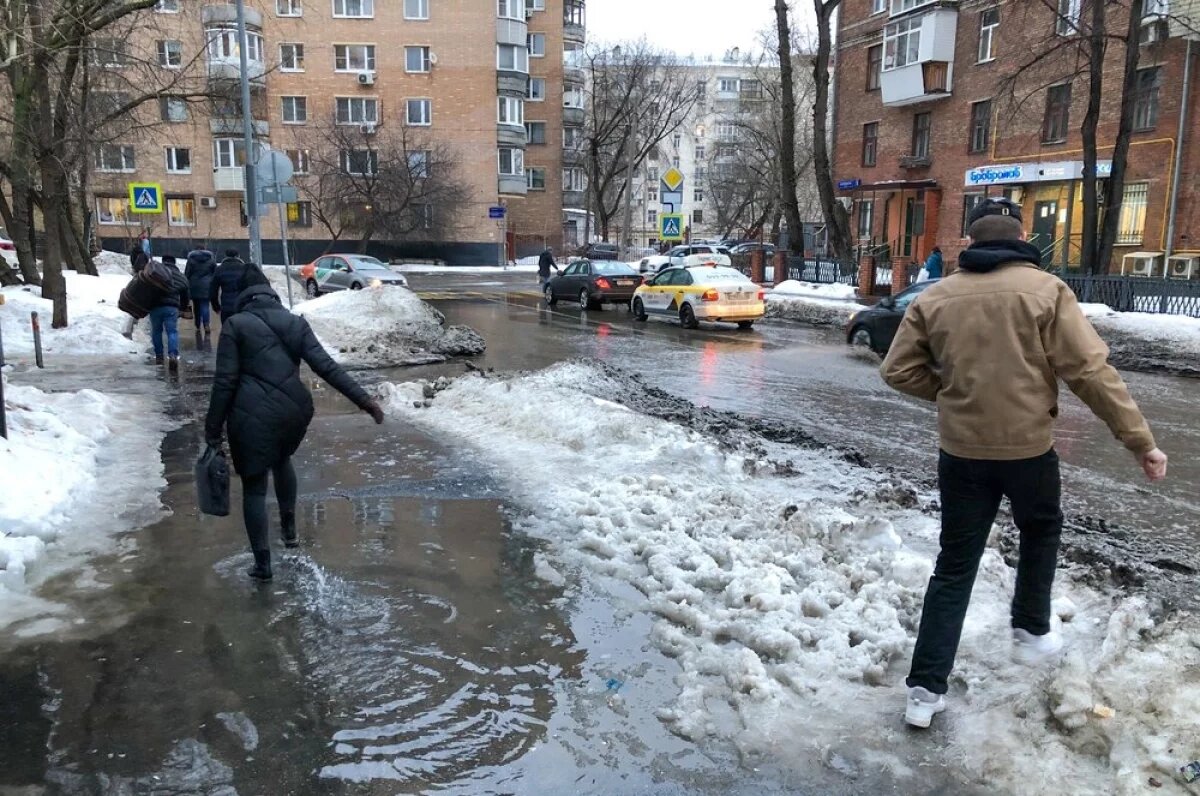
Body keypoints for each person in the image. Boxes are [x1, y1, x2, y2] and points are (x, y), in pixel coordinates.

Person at [880, 197, 1167, 729]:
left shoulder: (937, 296)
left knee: (954, 565)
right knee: (1041, 527)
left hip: (961, 452)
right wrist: (1139, 441)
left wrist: (950, 394)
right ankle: (1031, 628)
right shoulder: (1045, 291)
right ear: (1019, 238)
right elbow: (1091, 373)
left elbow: (897, 371)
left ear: (970, 241)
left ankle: (924, 690)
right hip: (1028, 450)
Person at [204, 282, 385, 581]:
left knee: (254, 486)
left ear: (244, 298)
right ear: (272, 296)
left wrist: (212, 430)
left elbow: (225, 382)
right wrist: (365, 401)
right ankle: (289, 533)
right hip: (293, 412)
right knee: (282, 459)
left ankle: (262, 565)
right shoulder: (295, 323)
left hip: (250, 416)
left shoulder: (235, 325)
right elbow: (326, 367)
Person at [148, 255, 189, 369]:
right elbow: (185, 294)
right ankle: (172, 355)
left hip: (155, 307)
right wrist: (182, 309)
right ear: (174, 263)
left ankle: (159, 355)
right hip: (171, 308)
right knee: (172, 332)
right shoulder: (180, 276)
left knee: (156, 331)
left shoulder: (156, 273)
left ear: (163, 262)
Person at [209, 248, 250, 321]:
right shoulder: (245, 268)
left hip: (226, 306)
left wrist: (216, 307)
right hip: (241, 305)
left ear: (225, 256)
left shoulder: (220, 269)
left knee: (227, 326)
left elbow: (213, 290)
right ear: (238, 256)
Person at [185, 247, 217, 336]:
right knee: (205, 305)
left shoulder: (191, 260)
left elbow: (187, 273)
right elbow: (215, 273)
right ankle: (206, 324)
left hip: (194, 285)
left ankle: (197, 324)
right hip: (207, 286)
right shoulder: (211, 260)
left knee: (196, 306)